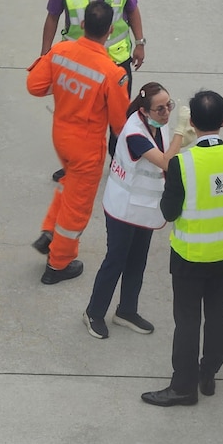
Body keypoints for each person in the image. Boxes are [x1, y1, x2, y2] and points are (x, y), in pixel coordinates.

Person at [142, 91, 223, 407]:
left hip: (190, 257)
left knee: (188, 320)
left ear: (191, 123)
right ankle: (208, 376)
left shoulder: (181, 163)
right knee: (217, 315)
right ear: (222, 122)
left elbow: (168, 212)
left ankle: (183, 387)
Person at [27, 0, 130, 284]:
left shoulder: (60, 52)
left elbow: (35, 86)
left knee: (67, 186)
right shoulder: (113, 73)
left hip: (61, 137)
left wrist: (62, 86)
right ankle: (58, 264)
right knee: (78, 205)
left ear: (83, 25)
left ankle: (49, 233)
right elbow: (120, 123)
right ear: (109, 31)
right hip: (87, 147)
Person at [82, 83, 186, 339]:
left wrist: (177, 139)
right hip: (123, 209)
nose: (166, 112)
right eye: (160, 108)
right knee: (115, 261)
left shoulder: (155, 125)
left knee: (137, 261)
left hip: (142, 208)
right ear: (144, 110)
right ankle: (93, 312)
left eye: (168, 106)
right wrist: (180, 136)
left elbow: (162, 156)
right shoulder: (134, 133)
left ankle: (126, 311)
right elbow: (164, 161)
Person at [42, 0, 145, 182]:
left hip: (116, 63)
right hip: (80, 66)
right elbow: (53, 17)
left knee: (118, 118)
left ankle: (117, 163)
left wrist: (140, 42)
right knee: (78, 118)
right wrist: (45, 56)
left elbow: (131, 9)